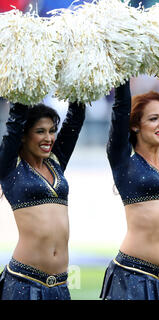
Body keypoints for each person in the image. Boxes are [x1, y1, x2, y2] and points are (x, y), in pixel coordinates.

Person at [100, 76, 159, 300]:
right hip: (132, 275)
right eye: (153, 119)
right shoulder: (123, 160)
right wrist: (123, 71)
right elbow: (120, 107)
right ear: (135, 125)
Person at [0, 100, 85, 300]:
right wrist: (25, 83)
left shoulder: (56, 162)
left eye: (52, 131)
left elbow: (75, 120)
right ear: (23, 135)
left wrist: (79, 83)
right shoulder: (10, 166)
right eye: (40, 131)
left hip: (60, 284)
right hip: (24, 282)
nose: (49, 138)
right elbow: (14, 123)